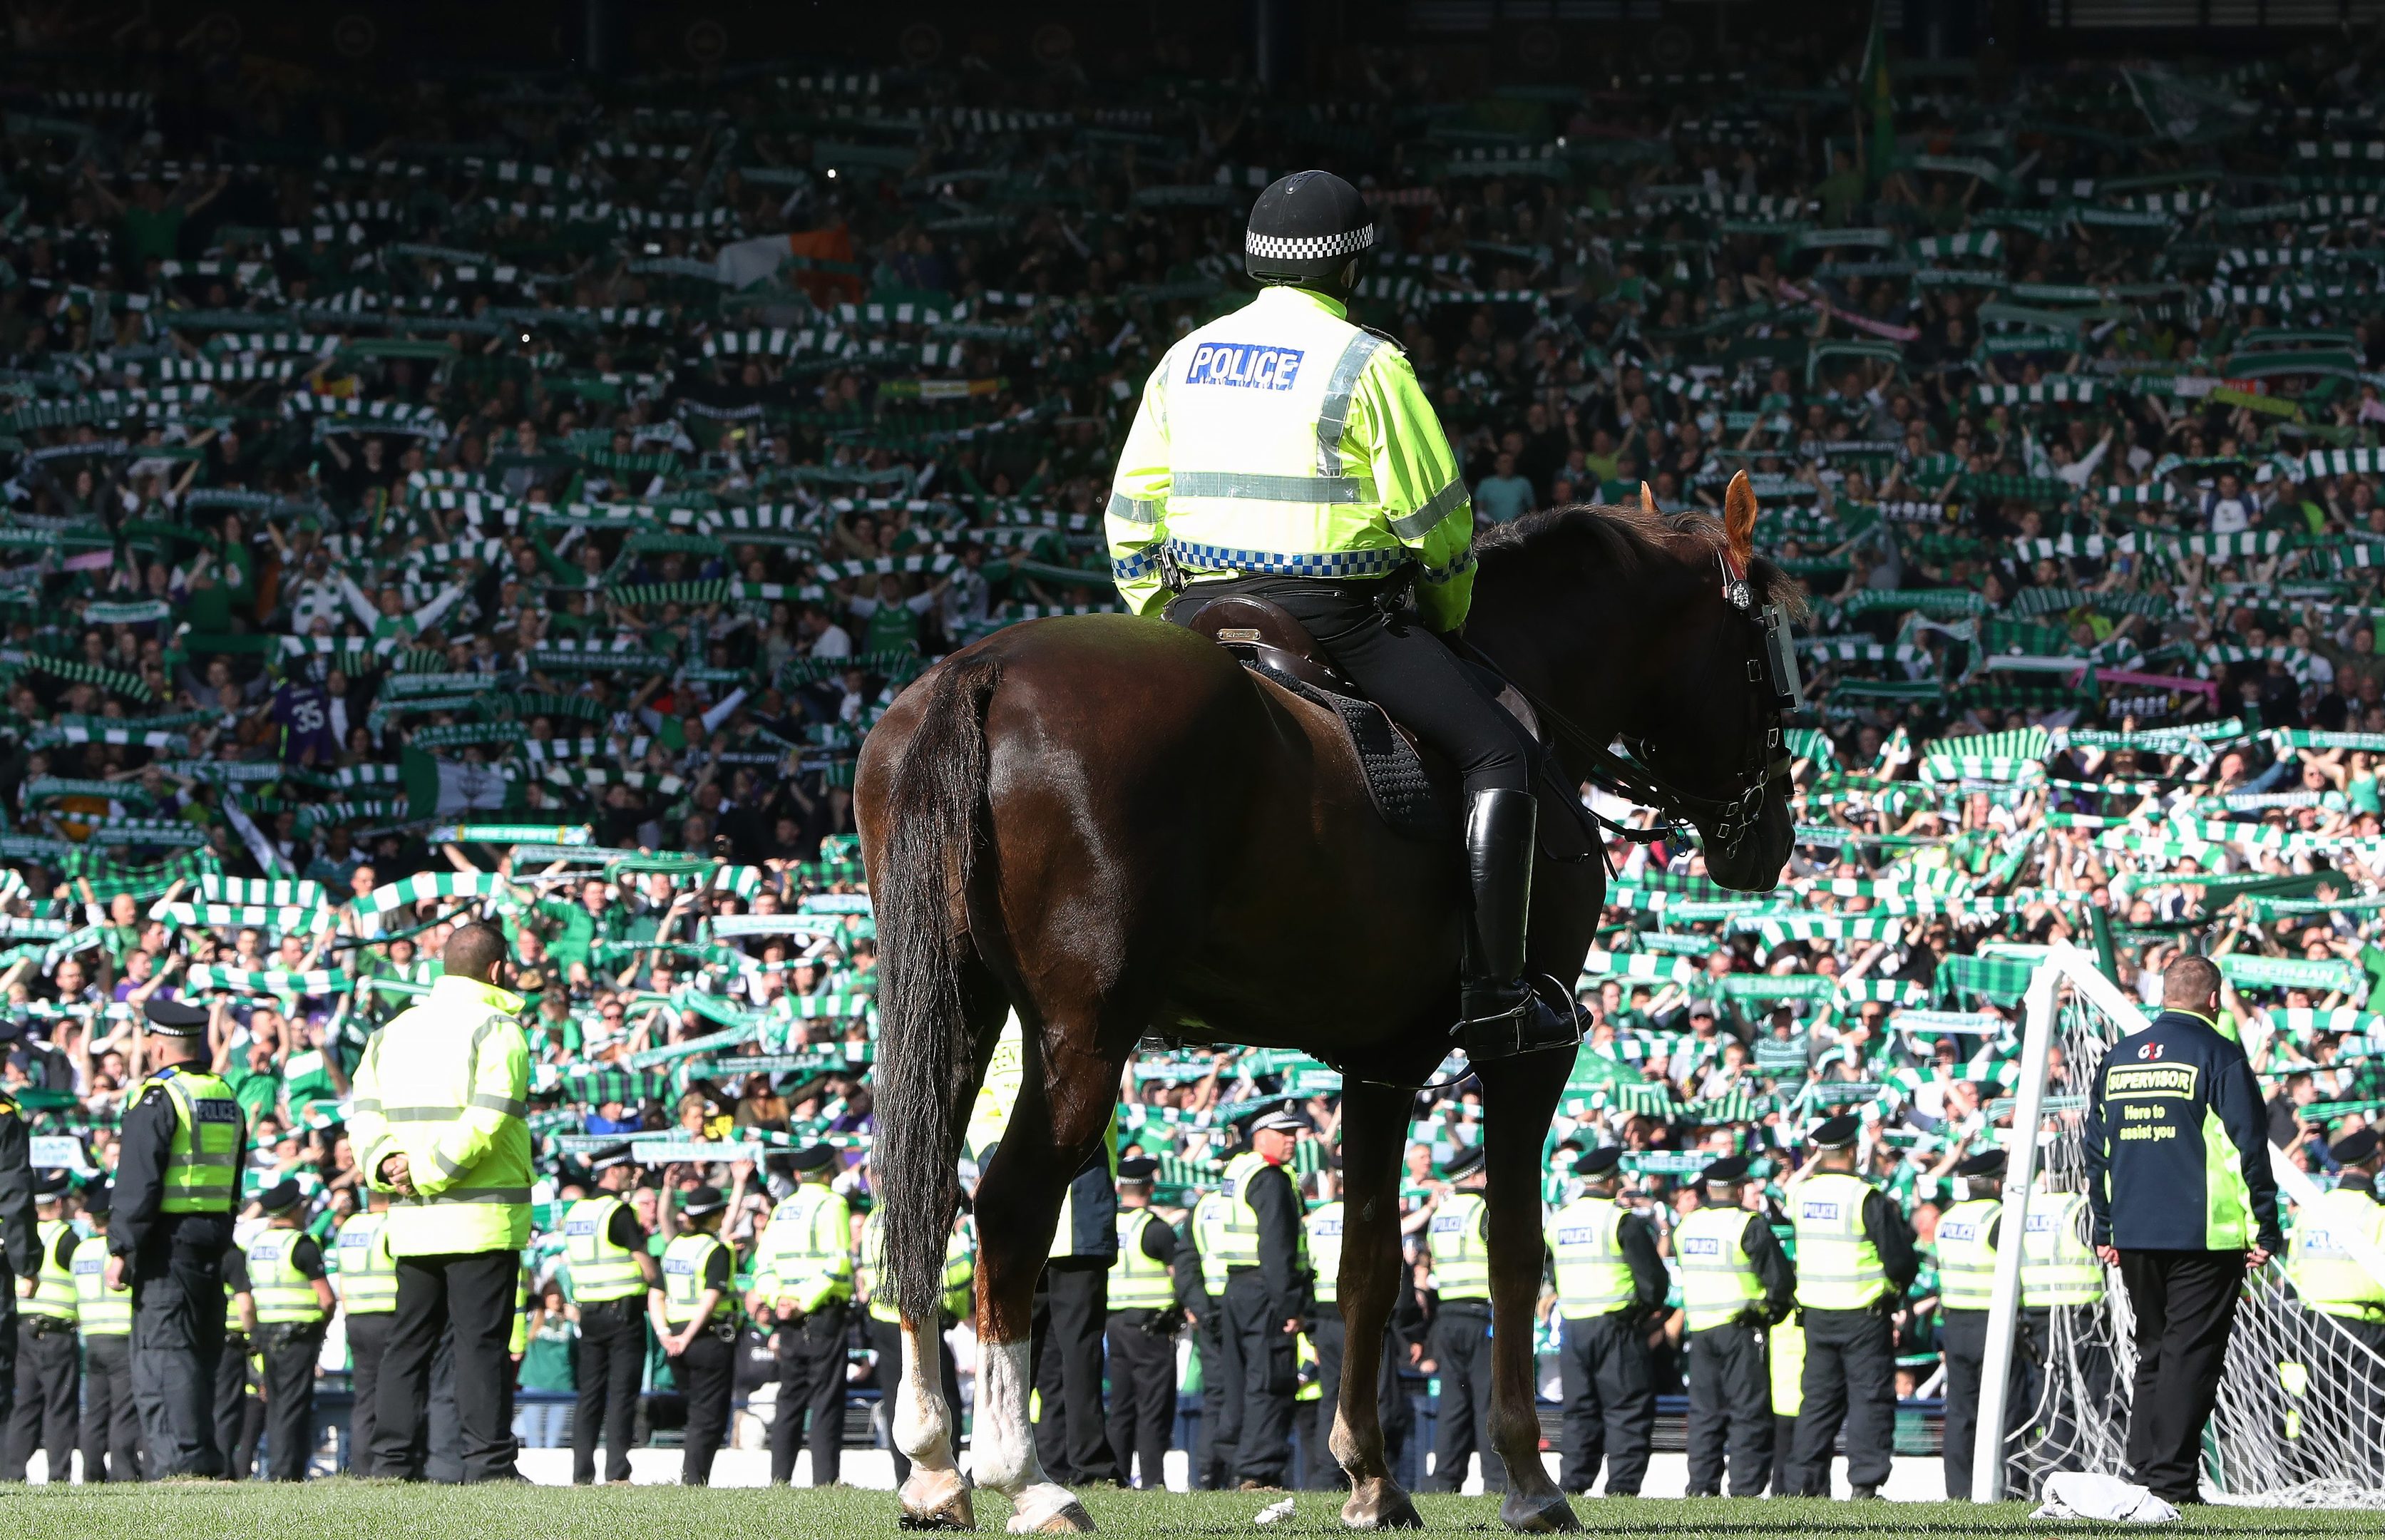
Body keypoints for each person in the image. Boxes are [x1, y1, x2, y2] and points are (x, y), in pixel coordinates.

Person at [1106, 167, 1566, 1061]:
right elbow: (1438, 524)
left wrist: (1163, 616)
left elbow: (1130, 515)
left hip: (1199, 611)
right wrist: (1446, 609)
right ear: (1351, 267)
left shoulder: (1186, 357)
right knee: (1499, 750)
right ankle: (1494, 996)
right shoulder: (1367, 364)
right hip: (1336, 617)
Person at [2081, 954, 2281, 1508]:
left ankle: (2146, 1474)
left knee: (2153, 1352)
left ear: (2162, 995)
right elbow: (2247, 1150)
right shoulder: (2218, 1054)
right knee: (2189, 1356)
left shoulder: (2118, 1057)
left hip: (2134, 1231)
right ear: (2213, 1000)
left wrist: (2104, 1223)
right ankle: (2169, 1485)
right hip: (2202, 1231)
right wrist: (2264, 1226)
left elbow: (2096, 1151)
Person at [346, 921, 533, 1483]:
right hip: (479, 1218)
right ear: (498, 971)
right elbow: (487, 1119)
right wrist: (427, 1173)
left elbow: (363, 1115)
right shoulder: (498, 1029)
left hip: (412, 1222)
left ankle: (389, 1465)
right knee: (480, 1347)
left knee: (407, 1344)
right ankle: (489, 1467)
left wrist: (388, 1167)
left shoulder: (391, 1032)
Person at [108, 996, 245, 1479]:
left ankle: (178, 1463)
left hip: (166, 1243)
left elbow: (139, 1179)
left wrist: (122, 1247)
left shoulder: (159, 1096)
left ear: (161, 1047)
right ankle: (202, 1455)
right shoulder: (223, 1093)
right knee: (200, 1351)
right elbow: (234, 1178)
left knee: (164, 1353)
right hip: (212, 1236)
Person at [1785, 1114, 1917, 1500]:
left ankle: (1804, 1487)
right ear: (1853, 1150)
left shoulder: (1801, 1194)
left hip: (1816, 1315)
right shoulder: (1865, 1197)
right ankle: (1865, 1483)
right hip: (1863, 1314)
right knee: (1869, 1400)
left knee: (1817, 1404)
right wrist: (1895, 1290)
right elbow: (1900, 1261)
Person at [1542, 1147, 1668, 1496]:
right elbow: (1654, 1281)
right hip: (1617, 1326)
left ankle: (1572, 1486)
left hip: (1575, 1326)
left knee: (1579, 1410)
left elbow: (1550, 1266)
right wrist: (1643, 1312)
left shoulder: (1559, 1220)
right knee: (1627, 1408)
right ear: (1612, 1179)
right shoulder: (1619, 1220)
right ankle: (1623, 1489)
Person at [1675, 1154, 1795, 1499]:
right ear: (1741, 1188)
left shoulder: (1688, 1226)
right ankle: (1745, 1488)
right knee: (1749, 1412)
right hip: (1743, 1330)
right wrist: (1769, 1313)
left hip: (1700, 1331)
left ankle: (1701, 1487)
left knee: (1704, 1414)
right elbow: (1781, 1283)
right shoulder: (1748, 1225)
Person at [1217, 1107, 1310, 1490]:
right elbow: (1277, 1247)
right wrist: (1290, 1304)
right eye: (1282, 1131)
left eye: (1294, 1132)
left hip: (1237, 1289)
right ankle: (1258, 1472)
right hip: (1265, 1291)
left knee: (1240, 1381)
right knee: (1270, 1379)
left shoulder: (1238, 1170)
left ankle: (1235, 1464)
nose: (1291, 1138)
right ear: (1259, 1135)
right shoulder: (1270, 1178)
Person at [753, 1142, 852, 1486]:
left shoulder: (784, 1209)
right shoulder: (832, 1203)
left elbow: (762, 1267)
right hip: (822, 1315)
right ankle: (825, 1481)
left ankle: (780, 1479)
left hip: (788, 1318)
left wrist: (780, 1299)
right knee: (825, 1400)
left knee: (790, 1398)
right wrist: (805, 1302)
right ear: (828, 1172)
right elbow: (838, 1263)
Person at [561, 1145, 659, 1484]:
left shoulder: (576, 1213)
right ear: (612, 1171)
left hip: (588, 1315)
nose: (634, 1175)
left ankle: (581, 1474)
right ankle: (617, 1472)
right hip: (622, 1315)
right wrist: (657, 1280)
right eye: (628, 1169)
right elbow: (644, 1263)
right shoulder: (617, 1211)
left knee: (589, 1395)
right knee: (621, 1395)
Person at [2287, 1129, 2385, 1466]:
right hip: (2365, 1326)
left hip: (2316, 1324)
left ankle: (2308, 1481)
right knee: (2368, 1412)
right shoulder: (2376, 1214)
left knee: (2318, 1408)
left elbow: (2295, 1268)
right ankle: (2371, 1486)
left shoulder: (2313, 1211)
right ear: (2377, 1161)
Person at [858, 1193, 970, 1487]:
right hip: (923, 1319)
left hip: (885, 1319)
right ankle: (947, 1471)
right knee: (942, 1395)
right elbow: (959, 1271)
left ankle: (904, 1478)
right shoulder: (930, 1211)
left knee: (897, 1400)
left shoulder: (875, 1217)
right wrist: (956, 1309)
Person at [1031, 1137, 1121, 1489]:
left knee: (1026, 1355)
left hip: (1041, 1229)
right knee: (1071, 1354)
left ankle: (1066, 1461)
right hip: (1075, 1227)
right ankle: (1089, 1463)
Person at [1935, 1149, 2022, 1502]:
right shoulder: (1998, 1218)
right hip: (1992, 1322)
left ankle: (1959, 1491)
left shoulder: (1948, 1218)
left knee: (1960, 1412)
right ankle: (2007, 1488)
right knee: (2006, 1408)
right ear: (1998, 1182)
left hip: (1955, 1323)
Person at [244, 1179, 335, 1481]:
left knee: (276, 1403)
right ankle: (288, 1472)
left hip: (267, 1333)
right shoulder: (301, 1244)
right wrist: (322, 1328)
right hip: (298, 1334)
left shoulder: (257, 1245)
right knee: (294, 1405)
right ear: (295, 1210)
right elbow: (326, 1299)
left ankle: (278, 1469)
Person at [1424, 1143, 1499, 1494]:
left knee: (1452, 1404)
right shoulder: (1484, 1211)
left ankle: (1443, 1482)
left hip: (1447, 1316)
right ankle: (1497, 1483)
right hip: (1480, 1316)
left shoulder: (1442, 1214)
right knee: (1488, 1402)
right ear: (1476, 1175)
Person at [1104, 1156, 1181, 1489]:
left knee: (1121, 1405)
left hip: (1115, 1324)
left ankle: (1118, 1476)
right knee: (1153, 1407)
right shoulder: (1155, 1229)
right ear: (1150, 1188)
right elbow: (1177, 1275)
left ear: (1120, 1187)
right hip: (1151, 1329)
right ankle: (1152, 1479)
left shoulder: (1107, 1225)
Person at [653, 1184, 736, 1485]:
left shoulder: (674, 1246)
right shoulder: (715, 1250)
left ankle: (692, 1474)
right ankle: (694, 1480)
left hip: (674, 1339)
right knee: (708, 1416)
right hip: (705, 1338)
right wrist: (687, 1336)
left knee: (695, 1407)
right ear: (713, 1216)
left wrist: (666, 1334)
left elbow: (656, 1294)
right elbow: (710, 1299)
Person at [2, 1171, 78, 1482]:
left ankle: (11, 1473)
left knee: (26, 1407)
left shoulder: (21, 1237)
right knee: (60, 1406)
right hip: (56, 1334)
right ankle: (59, 1476)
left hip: (22, 1331)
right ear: (59, 1204)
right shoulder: (66, 1237)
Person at [73, 1181, 140, 1482]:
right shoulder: (120, 1252)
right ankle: (124, 1474)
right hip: (122, 1335)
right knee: (124, 1411)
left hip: (92, 1336)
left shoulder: (80, 1251)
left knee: (96, 1412)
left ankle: (92, 1474)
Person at [333, 1188, 397, 1472]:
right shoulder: (393, 1226)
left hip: (356, 1318)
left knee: (364, 1397)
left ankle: (361, 1467)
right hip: (390, 1316)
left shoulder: (349, 1227)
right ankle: (388, 1462)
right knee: (394, 1393)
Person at [1185, 1164, 1236, 1488]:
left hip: (1211, 1308)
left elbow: (1187, 1260)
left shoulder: (1203, 1206)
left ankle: (1207, 1472)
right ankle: (1233, 1470)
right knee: (1242, 1390)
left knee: (1217, 1394)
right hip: (1242, 1304)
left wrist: (1201, 1309)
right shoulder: (1249, 1196)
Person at [1300, 1164, 1346, 1491]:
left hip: (1323, 1316)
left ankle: (1326, 1478)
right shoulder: (1365, 1216)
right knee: (1370, 1398)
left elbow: (1304, 1266)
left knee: (1331, 1399)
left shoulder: (1316, 1220)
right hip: (1355, 1316)